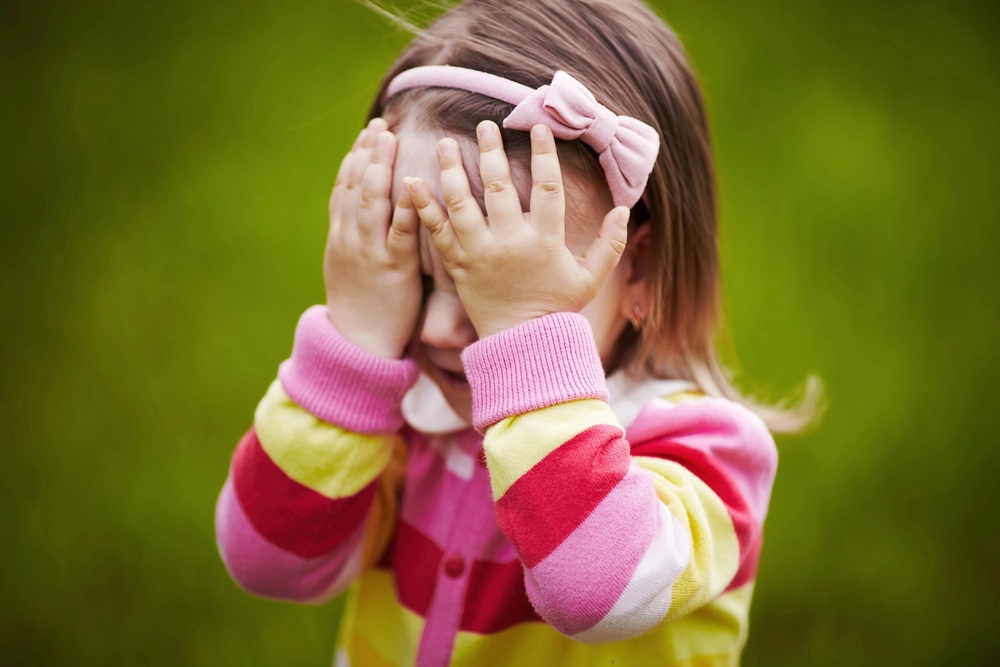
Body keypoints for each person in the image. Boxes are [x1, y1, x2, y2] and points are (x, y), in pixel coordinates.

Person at [214, 0, 820, 665]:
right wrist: (355, 342)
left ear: (636, 264)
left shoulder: (702, 449)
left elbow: (596, 589)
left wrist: (524, 352)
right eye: (415, 280)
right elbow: (266, 561)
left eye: (492, 299)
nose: (442, 328)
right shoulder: (397, 427)